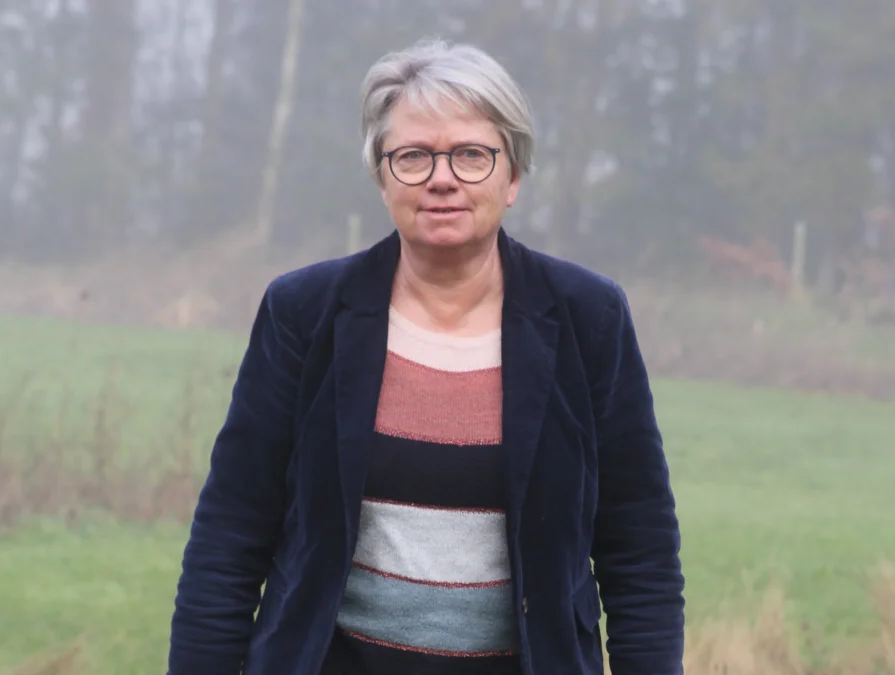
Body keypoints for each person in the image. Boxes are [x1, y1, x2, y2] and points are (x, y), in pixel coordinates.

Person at [166, 38, 685, 675]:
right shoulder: (303, 312)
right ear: (382, 176)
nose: (441, 178)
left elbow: (640, 547)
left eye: (471, 154)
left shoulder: (589, 317)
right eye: (413, 156)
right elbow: (231, 532)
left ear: (513, 175)